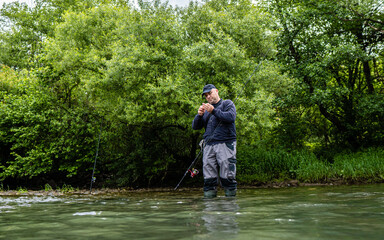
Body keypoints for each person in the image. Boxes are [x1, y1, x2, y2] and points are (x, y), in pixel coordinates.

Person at [192, 84, 237, 198]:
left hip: (225, 144)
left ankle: (230, 206)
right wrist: (199, 115)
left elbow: (230, 117)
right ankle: (210, 208)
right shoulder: (206, 110)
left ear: (216, 91)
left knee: (228, 176)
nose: (208, 97)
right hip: (208, 146)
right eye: (206, 95)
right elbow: (195, 127)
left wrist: (213, 111)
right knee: (209, 179)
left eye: (210, 93)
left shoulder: (227, 103)